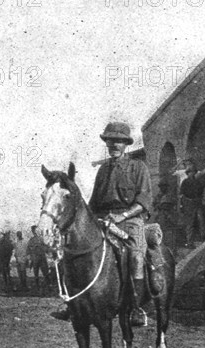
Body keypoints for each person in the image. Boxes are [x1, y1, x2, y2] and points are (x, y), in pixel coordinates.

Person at [51, 122, 151, 326]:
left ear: (126, 144)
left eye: (119, 141)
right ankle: (71, 303)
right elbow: (93, 204)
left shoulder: (138, 168)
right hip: (103, 221)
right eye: (110, 141)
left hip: (130, 221)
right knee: (73, 252)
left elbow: (144, 202)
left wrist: (122, 216)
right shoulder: (103, 170)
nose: (114, 145)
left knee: (136, 257)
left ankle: (136, 308)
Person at [179, 165, 205, 248]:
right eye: (190, 172)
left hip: (197, 203)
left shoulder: (198, 182)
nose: (192, 174)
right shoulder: (185, 182)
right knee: (190, 223)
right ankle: (190, 241)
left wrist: (198, 199)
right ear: (188, 173)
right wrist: (184, 204)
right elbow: (182, 194)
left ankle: (203, 238)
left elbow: (202, 192)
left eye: (193, 172)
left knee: (201, 220)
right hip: (188, 204)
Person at [27, 225, 50, 289]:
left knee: (45, 272)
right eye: (34, 230)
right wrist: (30, 257)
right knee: (36, 273)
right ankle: (37, 286)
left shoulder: (42, 238)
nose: (36, 232)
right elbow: (28, 250)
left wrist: (47, 251)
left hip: (42, 258)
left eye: (37, 230)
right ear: (33, 231)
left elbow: (46, 247)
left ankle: (48, 285)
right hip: (35, 259)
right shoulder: (31, 240)